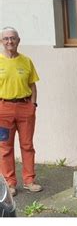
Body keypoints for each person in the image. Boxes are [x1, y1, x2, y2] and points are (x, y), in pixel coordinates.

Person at [0, 26, 42, 197]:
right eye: (6, 38)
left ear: (18, 40)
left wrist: (33, 105)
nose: (10, 41)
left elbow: (33, 85)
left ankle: (29, 181)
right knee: (4, 147)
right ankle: (9, 183)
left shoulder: (26, 61)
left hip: (25, 108)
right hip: (3, 109)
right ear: (2, 42)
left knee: (27, 145)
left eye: (13, 38)